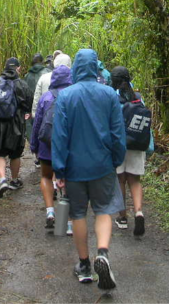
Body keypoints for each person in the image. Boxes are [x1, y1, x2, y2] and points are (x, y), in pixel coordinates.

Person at [52, 49, 126, 290]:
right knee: (104, 209)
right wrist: (116, 159)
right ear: (95, 67)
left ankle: (84, 265)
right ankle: (102, 254)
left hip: (74, 168)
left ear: (76, 68)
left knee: (78, 214)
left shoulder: (65, 96)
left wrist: (59, 170)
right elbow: (117, 133)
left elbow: (60, 136)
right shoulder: (109, 95)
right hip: (102, 164)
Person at [0, 57, 33, 197]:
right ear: (18, 68)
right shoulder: (22, 84)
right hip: (15, 123)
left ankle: (2, 179)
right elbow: (28, 104)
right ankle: (14, 180)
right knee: (15, 153)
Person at [30, 62, 72, 231]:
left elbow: (38, 123)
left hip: (47, 145)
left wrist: (34, 145)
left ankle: (50, 211)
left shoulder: (46, 97)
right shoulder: (73, 96)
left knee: (47, 177)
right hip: (68, 146)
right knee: (68, 180)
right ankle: (67, 223)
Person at [111, 66, 147, 236]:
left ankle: (123, 217)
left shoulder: (113, 98)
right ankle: (139, 212)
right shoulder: (138, 98)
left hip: (119, 144)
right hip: (137, 143)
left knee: (120, 180)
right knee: (135, 180)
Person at [25, 53, 52, 165]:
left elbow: (25, 93)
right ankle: (45, 155)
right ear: (42, 62)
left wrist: (28, 109)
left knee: (33, 130)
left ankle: (37, 156)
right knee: (45, 129)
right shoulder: (47, 73)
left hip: (32, 106)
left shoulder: (27, 76)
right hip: (46, 105)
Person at [32, 52, 71, 118]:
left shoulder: (43, 77)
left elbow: (37, 100)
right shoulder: (74, 79)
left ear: (54, 63)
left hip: (46, 117)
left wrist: (34, 116)